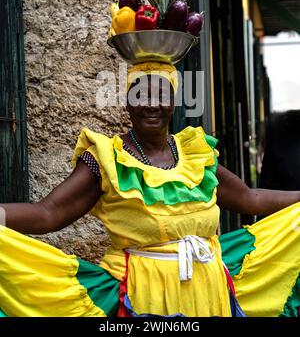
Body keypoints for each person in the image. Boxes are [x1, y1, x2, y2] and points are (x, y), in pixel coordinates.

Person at [0, 62, 299, 318]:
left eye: (161, 94)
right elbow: (48, 212)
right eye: (140, 94)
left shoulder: (196, 154)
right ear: (127, 102)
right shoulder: (107, 160)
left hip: (209, 292)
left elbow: (250, 198)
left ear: (173, 101)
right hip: (142, 296)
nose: (151, 103)